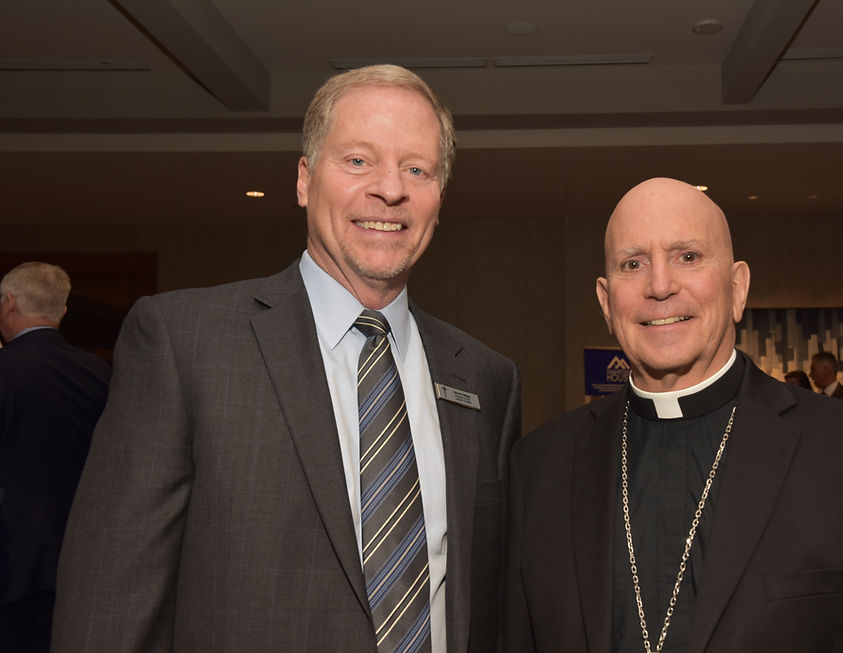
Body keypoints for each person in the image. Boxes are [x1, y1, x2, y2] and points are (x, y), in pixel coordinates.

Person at [53, 65, 521, 653]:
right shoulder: (183, 342)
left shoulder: (484, 377)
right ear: (304, 179)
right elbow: (109, 606)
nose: (390, 189)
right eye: (357, 160)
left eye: (416, 169)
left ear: (439, 197)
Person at [504, 178, 843, 652]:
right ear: (607, 303)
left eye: (687, 256)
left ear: (737, 288)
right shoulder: (540, 468)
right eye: (634, 263)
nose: (661, 285)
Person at [0, 262, 111, 652]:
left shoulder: (5, 368)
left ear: (8, 303)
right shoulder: (97, 372)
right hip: (79, 552)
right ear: (62, 311)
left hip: (10, 558)